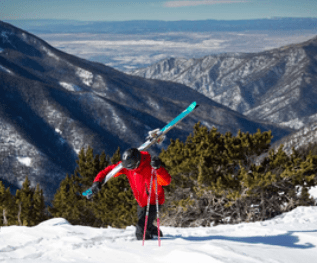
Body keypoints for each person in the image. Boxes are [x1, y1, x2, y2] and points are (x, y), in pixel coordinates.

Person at [89, 148, 171, 240]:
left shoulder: (150, 165)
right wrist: (97, 180)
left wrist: (159, 168)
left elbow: (166, 181)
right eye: (128, 168)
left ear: (137, 162)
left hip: (154, 201)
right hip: (141, 202)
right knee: (145, 224)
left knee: (141, 229)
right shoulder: (127, 166)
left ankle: (148, 249)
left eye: (132, 167)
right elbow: (109, 171)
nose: (130, 170)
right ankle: (157, 234)